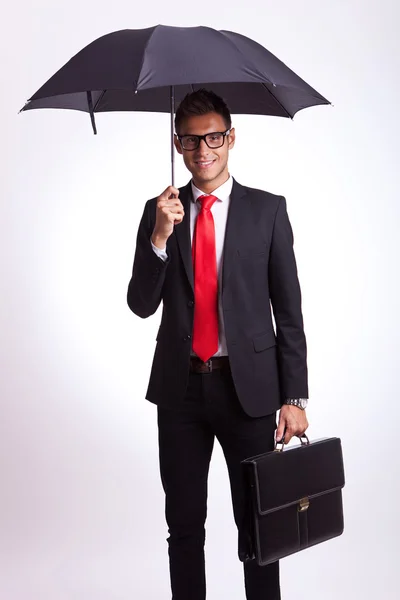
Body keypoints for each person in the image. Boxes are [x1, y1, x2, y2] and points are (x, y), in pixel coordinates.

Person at [127, 89, 309, 600]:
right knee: (184, 526)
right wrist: (160, 238)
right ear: (178, 144)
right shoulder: (159, 210)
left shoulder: (268, 211)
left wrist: (294, 398)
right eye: (190, 140)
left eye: (212, 137)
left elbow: (288, 312)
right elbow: (141, 303)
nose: (202, 150)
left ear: (231, 138)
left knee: (259, 525)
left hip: (248, 392)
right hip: (180, 391)